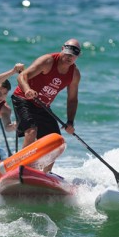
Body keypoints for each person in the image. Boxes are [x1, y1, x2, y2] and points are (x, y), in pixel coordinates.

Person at [11, 39, 82, 171]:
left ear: (78, 57)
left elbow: (72, 99)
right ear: (62, 49)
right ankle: (21, 168)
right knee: (32, 131)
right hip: (23, 99)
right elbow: (22, 77)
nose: (69, 57)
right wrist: (27, 89)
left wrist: (70, 122)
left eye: (72, 55)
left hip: (42, 106)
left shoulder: (75, 74)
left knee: (56, 142)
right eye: (67, 53)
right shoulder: (48, 61)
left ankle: (44, 173)